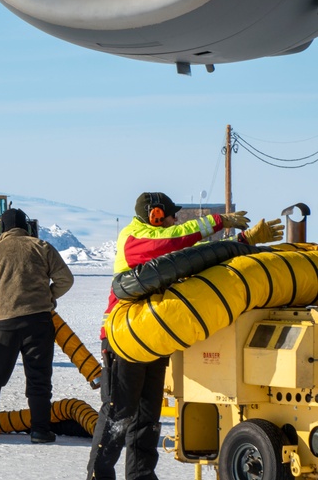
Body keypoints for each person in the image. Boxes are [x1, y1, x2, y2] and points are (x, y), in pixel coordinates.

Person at [86, 192, 284, 480]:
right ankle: (98, 475)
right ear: (155, 215)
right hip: (124, 340)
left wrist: (244, 242)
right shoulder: (135, 238)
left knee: (147, 416)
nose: (175, 219)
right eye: (170, 215)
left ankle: (141, 475)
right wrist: (218, 221)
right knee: (119, 413)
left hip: (154, 338)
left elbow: (197, 258)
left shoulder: (159, 247)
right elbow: (174, 241)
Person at [0, 207, 75, 444]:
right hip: (38, 322)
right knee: (38, 379)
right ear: (26, 227)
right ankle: (39, 430)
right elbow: (66, 279)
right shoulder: (42, 247)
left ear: (0, 229)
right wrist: (49, 296)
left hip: (3, 324)